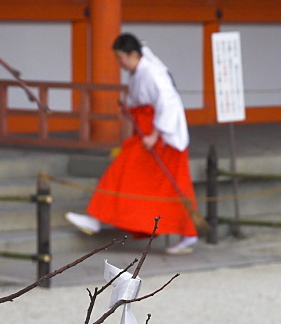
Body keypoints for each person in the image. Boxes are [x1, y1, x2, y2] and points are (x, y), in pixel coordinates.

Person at [66, 33, 199, 255]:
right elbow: (142, 103)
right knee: (160, 185)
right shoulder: (141, 71)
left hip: (163, 138)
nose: (119, 63)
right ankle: (188, 233)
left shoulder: (152, 73)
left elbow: (168, 102)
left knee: (128, 172)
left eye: (120, 58)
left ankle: (96, 219)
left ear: (133, 54)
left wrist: (156, 134)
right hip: (149, 135)